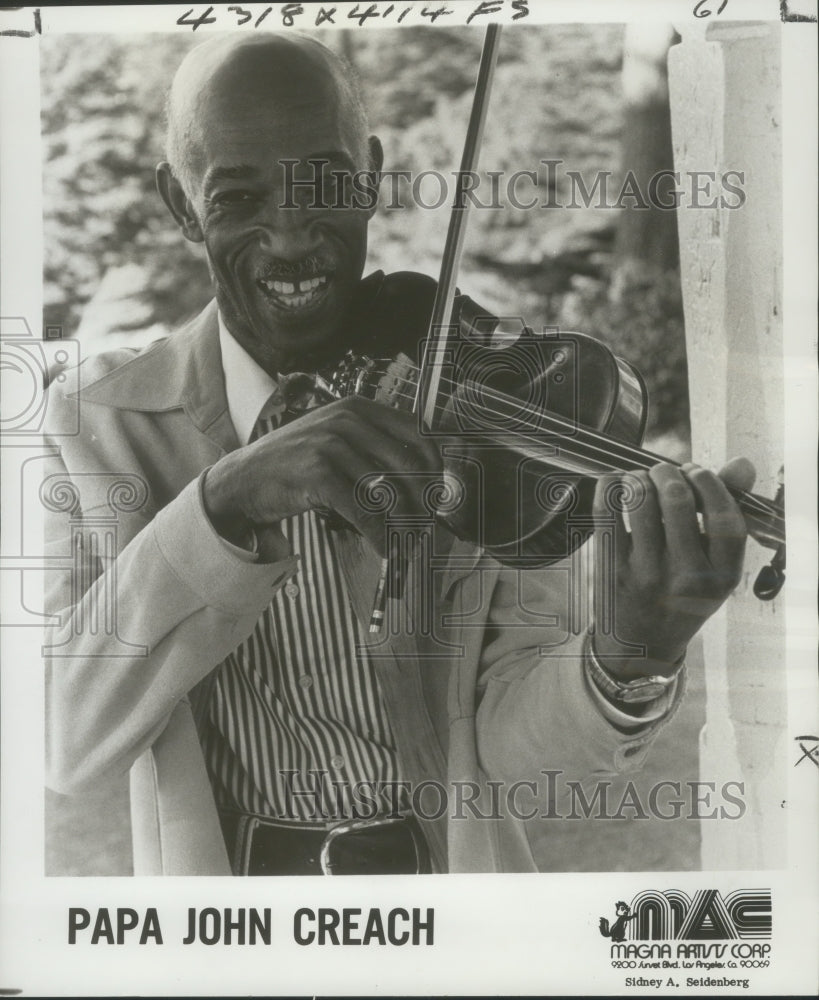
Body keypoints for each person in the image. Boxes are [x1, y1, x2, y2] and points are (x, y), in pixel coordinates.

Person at [43, 32, 754, 875]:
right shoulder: (95, 426)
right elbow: (63, 741)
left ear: (372, 174)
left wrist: (632, 651)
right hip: (230, 917)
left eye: (326, 185)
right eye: (238, 198)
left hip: (447, 903)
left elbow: (516, 750)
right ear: (180, 203)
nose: (290, 236)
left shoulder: (464, 396)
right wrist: (222, 502)